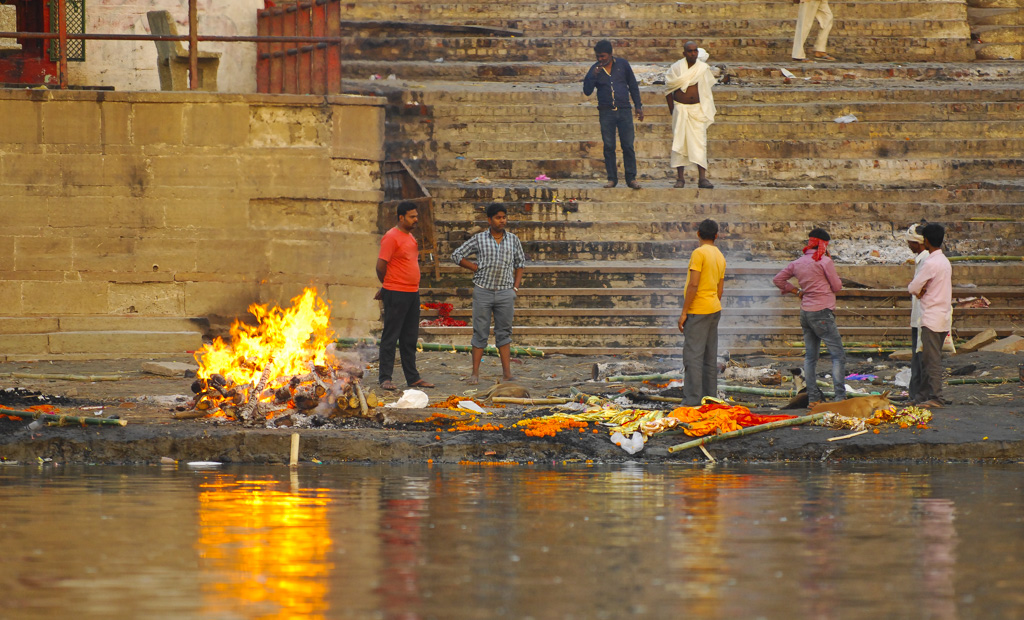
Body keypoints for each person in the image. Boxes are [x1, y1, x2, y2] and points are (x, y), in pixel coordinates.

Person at [451, 203, 527, 385]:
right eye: (498, 217)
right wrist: (474, 267)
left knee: (504, 333)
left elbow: (520, 264)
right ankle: (475, 374)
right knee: (480, 333)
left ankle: (507, 374)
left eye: (504, 217)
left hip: (505, 292)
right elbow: (456, 255)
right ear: (489, 220)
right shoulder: (479, 239)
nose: (502, 221)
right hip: (483, 291)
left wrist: (515, 289)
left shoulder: (513, 240)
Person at [773, 228, 846, 405]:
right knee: (838, 356)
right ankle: (839, 397)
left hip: (805, 313)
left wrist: (797, 291)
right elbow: (837, 287)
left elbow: (778, 280)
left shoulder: (798, 262)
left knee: (811, 357)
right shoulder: (824, 261)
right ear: (823, 244)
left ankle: (813, 398)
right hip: (822, 313)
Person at [375, 201, 434, 391]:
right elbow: (380, 266)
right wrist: (387, 286)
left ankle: (413, 378)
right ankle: (385, 378)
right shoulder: (391, 237)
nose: (416, 219)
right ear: (401, 217)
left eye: (416, 216)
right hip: (396, 293)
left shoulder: (411, 237)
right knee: (391, 337)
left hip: (412, 293)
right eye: (412, 216)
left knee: (409, 337)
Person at [582, 39, 644, 190]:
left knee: (628, 145)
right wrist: (593, 76)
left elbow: (633, 86)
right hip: (606, 112)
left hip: (624, 111)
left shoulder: (623, 65)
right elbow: (587, 91)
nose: (600, 59)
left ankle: (631, 178)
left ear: (610, 54)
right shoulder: (594, 69)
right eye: (598, 57)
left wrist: (638, 106)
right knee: (609, 146)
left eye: (603, 56)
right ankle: (612, 179)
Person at [677, 219, 726, 405]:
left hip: (698, 310)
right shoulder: (720, 256)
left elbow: (694, 284)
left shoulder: (699, 253)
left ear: (698, 234)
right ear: (716, 236)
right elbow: (720, 289)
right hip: (714, 308)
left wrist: (684, 312)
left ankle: (692, 401)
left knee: (693, 357)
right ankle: (709, 398)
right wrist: (712, 304)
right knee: (709, 356)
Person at [908, 223, 953, 408]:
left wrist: (921, 289)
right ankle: (922, 396)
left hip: (931, 317)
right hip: (942, 316)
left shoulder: (931, 263)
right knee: (928, 358)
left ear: (925, 241)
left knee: (931, 361)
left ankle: (936, 397)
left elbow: (912, 287)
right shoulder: (944, 261)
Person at [664, 41, 717, 189]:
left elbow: (707, 90)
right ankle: (680, 178)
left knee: (700, 143)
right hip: (680, 109)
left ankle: (702, 179)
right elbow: (668, 90)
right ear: (684, 53)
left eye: (695, 51)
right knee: (679, 144)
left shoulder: (702, 68)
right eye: (690, 51)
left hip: (697, 111)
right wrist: (672, 111)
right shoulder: (676, 68)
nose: (693, 53)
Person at [905, 223, 930, 403]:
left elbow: (916, 288)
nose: (908, 245)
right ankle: (915, 394)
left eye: (910, 242)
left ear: (918, 243)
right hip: (919, 316)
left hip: (924, 316)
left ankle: (921, 395)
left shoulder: (927, 260)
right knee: (917, 357)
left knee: (922, 358)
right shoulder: (922, 259)